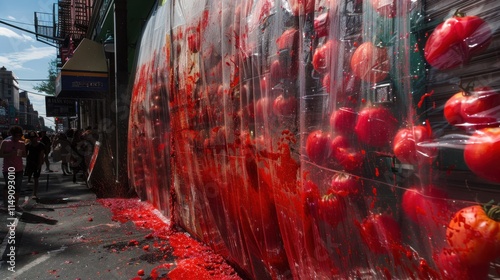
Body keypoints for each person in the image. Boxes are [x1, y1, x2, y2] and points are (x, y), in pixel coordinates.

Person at [0, 125, 26, 211]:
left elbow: (24, 155)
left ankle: (15, 204)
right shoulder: (5, 142)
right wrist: (10, 154)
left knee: (17, 187)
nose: (17, 137)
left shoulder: (22, 143)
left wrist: (20, 153)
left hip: (19, 168)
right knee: (10, 186)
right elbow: (1, 154)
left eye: (19, 135)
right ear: (12, 134)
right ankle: (6, 203)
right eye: (16, 135)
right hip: (8, 168)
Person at [24, 131, 45, 200]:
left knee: (36, 178)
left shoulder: (41, 145)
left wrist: (40, 163)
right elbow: (25, 154)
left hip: (37, 162)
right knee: (29, 174)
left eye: (34, 137)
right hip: (30, 162)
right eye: (31, 138)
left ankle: (34, 193)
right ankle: (29, 182)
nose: (33, 139)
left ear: (37, 137)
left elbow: (41, 155)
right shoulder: (27, 145)